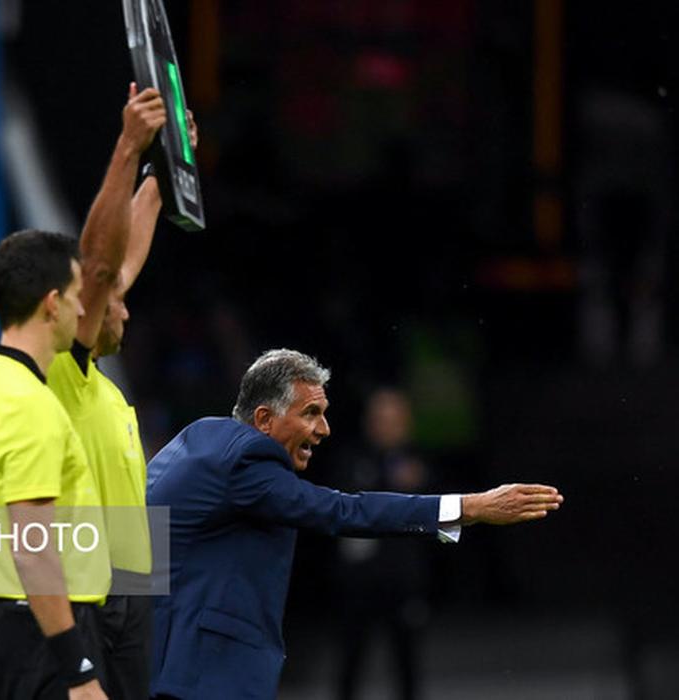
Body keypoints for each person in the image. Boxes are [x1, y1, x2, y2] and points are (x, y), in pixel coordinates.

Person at [146, 348, 564, 700]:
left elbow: (138, 520)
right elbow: (342, 511)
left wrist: (119, 644)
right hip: (203, 675)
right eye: (311, 413)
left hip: (166, 663)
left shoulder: (199, 439)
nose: (323, 429)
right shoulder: (248, 460)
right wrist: (469, 507)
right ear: (264, 419)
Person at [46, 83, 179, 700]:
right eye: (111, 302)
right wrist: (129, 147)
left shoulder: (105, 390)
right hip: (84, 591)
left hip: (131, 581)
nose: (124, 305)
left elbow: (118, 269)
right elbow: (102, 268)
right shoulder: (62, 373)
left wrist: (163, 176)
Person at [0, 230, 110, 699]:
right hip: (41, 633)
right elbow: (32, 547)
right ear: (52, 304)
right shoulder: (31, 404)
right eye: (76, 297)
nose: (83, 311)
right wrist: (78, 670)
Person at [333, 387, 433, 700]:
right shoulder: (353, 460)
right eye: (380, 419)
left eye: (394, 420)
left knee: (407, 659)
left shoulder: (418, 462)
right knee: (351, 656)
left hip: (403, 578)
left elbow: (442, 523)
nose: (386, 427)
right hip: (358, 579)